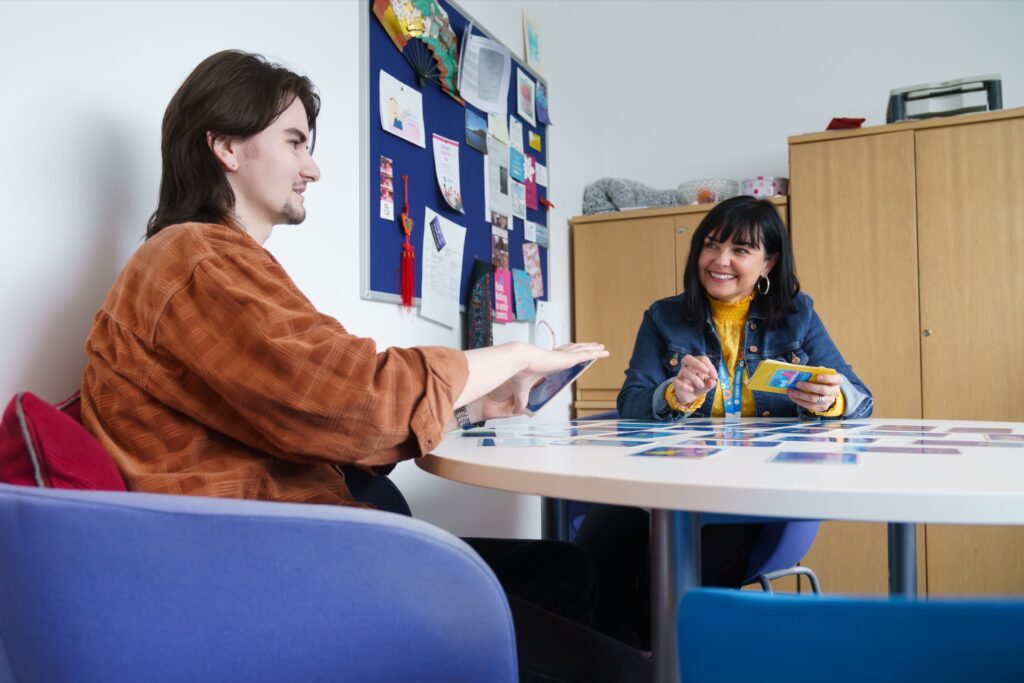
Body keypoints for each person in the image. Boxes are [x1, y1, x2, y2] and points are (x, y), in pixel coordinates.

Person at [79, 50, 650, 682]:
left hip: (311, 549)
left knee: (566, 571)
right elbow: (357, 403)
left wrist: (474, 405)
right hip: (277, 578)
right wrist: (516, 353)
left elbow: (318, 421)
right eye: (295, 142)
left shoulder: (212, 262)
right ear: (225, 147)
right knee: (617, 664)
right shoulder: (196, 263)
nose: (312, 168)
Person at [573, 195, 873, 649]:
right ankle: (619, 665)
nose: (720, 260)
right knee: (601, 534)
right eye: (712, 245)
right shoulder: (663, 317)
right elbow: (631, 402)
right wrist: (674, 395)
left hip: (752, 495)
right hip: (670, 489)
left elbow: (861, 399)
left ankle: (672, 660)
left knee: (689, 566)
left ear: (768, 262)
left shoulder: (798, 315)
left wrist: (830, 400)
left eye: (741, 250)